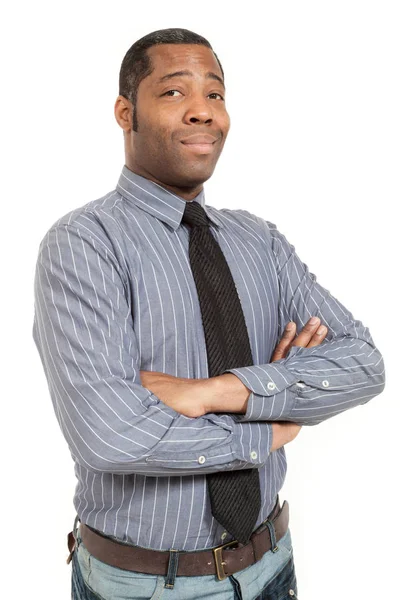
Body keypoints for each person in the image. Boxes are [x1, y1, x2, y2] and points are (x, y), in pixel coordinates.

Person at [32, 27, 385, 600]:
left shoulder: (259, 241)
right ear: (126, 113)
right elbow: (111, 434)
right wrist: (272, 427)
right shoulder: (84, 244)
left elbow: (364, 364)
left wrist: (218, 390)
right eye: (174, 93)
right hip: (150, 585)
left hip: (274, 563)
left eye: (215, 94)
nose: (202, 111)